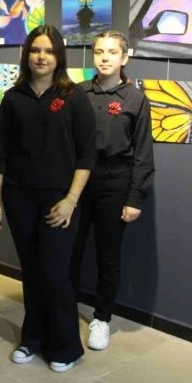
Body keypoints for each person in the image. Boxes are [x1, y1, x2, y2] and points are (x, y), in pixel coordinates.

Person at [0, 24, 95, 373]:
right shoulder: (13, 98)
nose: (41, 57)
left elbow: (86, 156)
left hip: (60, 200)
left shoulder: (74, 97)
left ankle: (65, 346)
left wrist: (71, 201)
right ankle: (32, 338)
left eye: (49, 51)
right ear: (26, 55)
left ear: (59, 56)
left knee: (55, 272)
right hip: (19, 198)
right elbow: (0, 153)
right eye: (35, 50)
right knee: (32, 272)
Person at [69, 31, 154, 351]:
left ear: (124, 57)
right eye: (99, 52)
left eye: (112, 52)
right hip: (78, 180)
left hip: (115, 181)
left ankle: (102, 318)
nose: (105, 58)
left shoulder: (135, 98)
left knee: (108, 256)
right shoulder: (78, 93)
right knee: (70, 250)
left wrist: (135, 198)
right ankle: (64, 308)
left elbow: (143, 152)